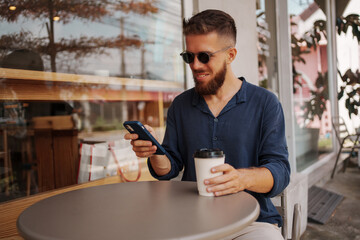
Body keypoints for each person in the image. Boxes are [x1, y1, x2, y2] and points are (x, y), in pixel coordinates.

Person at [125, 9, 290, 240]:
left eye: (204, 56)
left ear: (230, 55)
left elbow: (280, 172)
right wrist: (154, 152)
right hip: (192, 222)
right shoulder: (180, 105)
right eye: (188, 56)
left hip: (254, 222)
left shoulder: (265, 103)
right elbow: (169, 169)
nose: (195, 65)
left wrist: (241, 179)